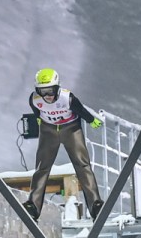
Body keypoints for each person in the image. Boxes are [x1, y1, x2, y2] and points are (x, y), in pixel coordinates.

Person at [24, 68, 104, 220]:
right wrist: (40, 122)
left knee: (82, 165)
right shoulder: (34, 99)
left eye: (50, 90)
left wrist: (91, 120)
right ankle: (33, 205)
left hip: (71, 128)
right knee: (42, 167)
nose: (47, 96)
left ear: (57, 87)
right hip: (48, 130)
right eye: (42, 91)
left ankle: (95, 205)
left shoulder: (67, 98)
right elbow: (37, 112)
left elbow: (81, 110)